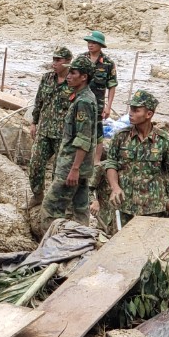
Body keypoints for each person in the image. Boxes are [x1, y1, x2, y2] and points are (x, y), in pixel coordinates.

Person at [103, 90, 169, 225]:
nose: (131, 113)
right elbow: (111, 164)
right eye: (131, 109)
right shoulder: (120, 137)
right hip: (125, 205)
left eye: (136, 110)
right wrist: (115, 187)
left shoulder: (164, 140)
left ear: (149, 114)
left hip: (153, 207)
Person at [42, 55, 98, 224]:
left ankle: (51, 246)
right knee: (80, 207)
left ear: (84, 77)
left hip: (71, 165)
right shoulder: (83, 97)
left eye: (73, 72)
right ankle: (84, 243)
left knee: (51, 208)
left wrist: (74, 168)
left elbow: (83, 138)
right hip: (79, 165)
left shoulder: (84, 102)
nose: (68, 76)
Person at [28, 47, 73, 208]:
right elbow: (38, 101)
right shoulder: (47, 78)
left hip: (63, 134)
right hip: (44, 131)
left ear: (68, 62)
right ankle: (38, 195)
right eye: (53, 59)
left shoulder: (73, 82)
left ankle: (54, 203)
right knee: (35, 166)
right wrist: (34, 122)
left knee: (58, 172)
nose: (54, 63)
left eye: (58, 60)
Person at [82, 30, 117, 163]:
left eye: (93, 43)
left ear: (100, 45)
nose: (90, 45)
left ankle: (96, 161)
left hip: (98, 103)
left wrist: (108, 106)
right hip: (81, 101)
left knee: (97, 132)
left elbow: (112, 85)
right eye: (89, 42)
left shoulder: (108, 63)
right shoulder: (81, 59)